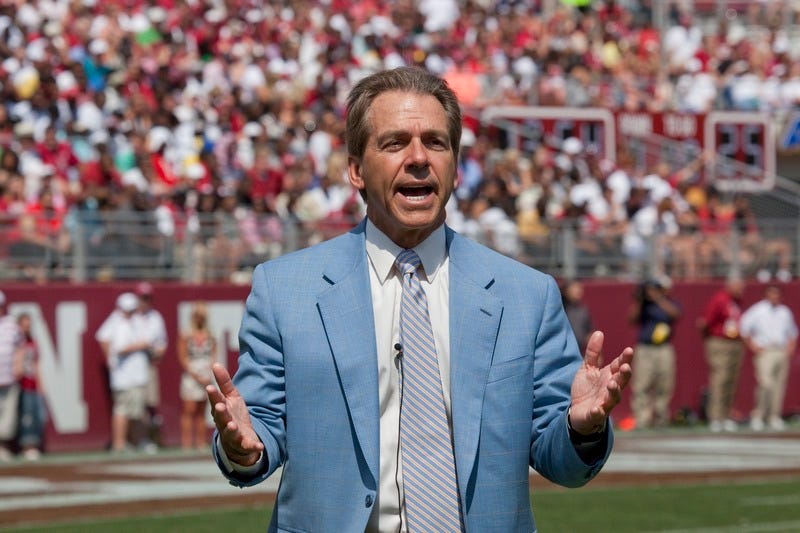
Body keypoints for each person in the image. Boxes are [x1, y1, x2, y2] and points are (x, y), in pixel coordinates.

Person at [206, 67, 633, 531]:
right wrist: (243, 447)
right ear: (355, 170)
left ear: (453, 163)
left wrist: (581, 428)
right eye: (394, 143)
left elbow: (561, 460)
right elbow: (259, 429)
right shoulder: (285, 289)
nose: (418, 158)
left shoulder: (526, 295)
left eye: (435, 142)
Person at [95, 292, 151, 453]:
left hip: (135, 375)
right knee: (123, 409)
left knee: (136, 410)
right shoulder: (117, 322)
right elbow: (119, 347)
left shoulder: (136, 321)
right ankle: (120, 444)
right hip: (124, 377)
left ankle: (133, 442)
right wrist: (139, 346)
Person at [740, 285, 798, 431]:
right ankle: (758, 415)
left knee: (779, 386)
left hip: (780, 350)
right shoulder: (758, 310)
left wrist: (790, 348)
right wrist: (753, 345)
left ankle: (774, 416)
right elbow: (743, 327)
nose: (774, 297)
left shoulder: (785, 312)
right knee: (765, 384)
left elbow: (793, 332)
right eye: (771, 294)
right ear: (766, 295)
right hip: (765, 351)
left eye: (777, 294)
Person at [628, 276, 682, 429]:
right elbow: (631, 319)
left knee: (665, 384)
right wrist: (639, 299)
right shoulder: (644, 305)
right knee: (642, 384)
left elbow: (676, 314)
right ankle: (641, 419)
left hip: (664, 348)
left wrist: (658, 298)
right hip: (645, 348)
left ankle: (661, 418)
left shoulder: (669, 302)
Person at [697, 277, 745, 432]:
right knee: (720, 379)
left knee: (731, 381)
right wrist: (710, 341)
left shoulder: (736, 302)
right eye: (739, 286)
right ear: (730, 285)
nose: (741, 290)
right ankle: (715, 416)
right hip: (720, 342)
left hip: (734, 343)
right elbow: (704, 322)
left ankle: (725, 415)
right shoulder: (720, 299)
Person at [178, 301, 217, 450]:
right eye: (197, 316)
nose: (199, 319)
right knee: (189, 409)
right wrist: (195, 375)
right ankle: (186, 443)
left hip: (206, 375)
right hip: (191, 376)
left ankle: (200, 442)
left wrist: (208, 374)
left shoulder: (210, 335)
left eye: (202, 316)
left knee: (202, 410)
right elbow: (182, 358)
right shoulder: (186, 335)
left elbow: (213, 356)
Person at [134, 282, 168, 451]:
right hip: (131, 367)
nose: (144, 302)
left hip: (148, 365)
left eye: (147, 298)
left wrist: (156, 352)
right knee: (135, 405)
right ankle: (136, 439)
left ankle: (148, 439)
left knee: (149, 404)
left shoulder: (155, 317)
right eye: (142, 298)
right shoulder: (130, 317)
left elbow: (162, 343)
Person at [16, 312, 47, 460]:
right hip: (21, 385)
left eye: (29, 324)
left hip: (33, 383)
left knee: (38, 415)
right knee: (26, 416)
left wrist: (41, 385)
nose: (27, 327)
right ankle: (26, 446)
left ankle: (33, 444)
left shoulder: (33, 342)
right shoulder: (16, 342)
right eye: (25, 324)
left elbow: (36, 365)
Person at [0, 291, 24, 461]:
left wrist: (18, 366)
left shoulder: (11, 325)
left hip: (8, 378)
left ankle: (2, 448)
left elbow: (21, 347)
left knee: (8, 415)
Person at [561, 278, 594, 355]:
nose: (578, 291)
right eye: (575, 288)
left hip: (579, 352)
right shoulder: (560, 309)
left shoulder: (583, 310)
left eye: (580, 288)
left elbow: (589, 331)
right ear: (566, 290)